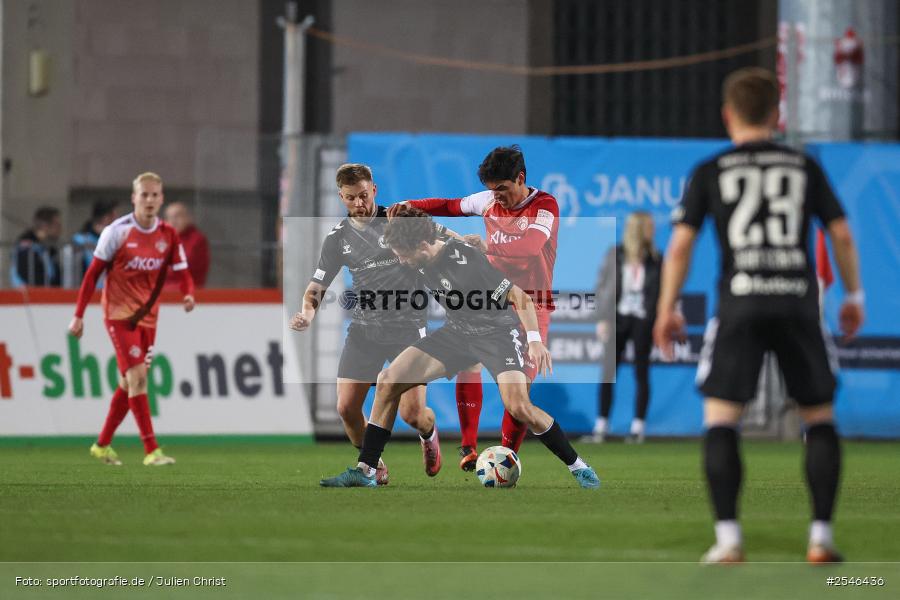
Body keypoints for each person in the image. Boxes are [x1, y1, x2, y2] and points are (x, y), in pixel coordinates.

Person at [653, 68, 863, 564]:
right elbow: (843, 234)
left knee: (721, 420)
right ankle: (821, 538)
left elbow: (681, 246)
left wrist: (666, 308)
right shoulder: (804, 166)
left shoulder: (710, 169)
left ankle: (728, 540)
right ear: (777, 114)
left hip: (740, 302)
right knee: (819, 417)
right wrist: (855, 295)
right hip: (796, 301)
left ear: (727, 115)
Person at [319, 206, 599, 490]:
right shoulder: (422, 250)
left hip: (497, 334)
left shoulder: (466, 262)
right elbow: (433, 229)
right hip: (457, 333)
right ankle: (367, 469)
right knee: (388, 381)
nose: (400, 260)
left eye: (403, 253)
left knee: (518, 406)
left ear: (423, 245)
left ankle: (579, 467)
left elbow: (521, 297)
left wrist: (536, 341)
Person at [389, 145, 559, 471]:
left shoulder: (545, 205)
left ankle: (507, 458)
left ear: (520, 178)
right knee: (469, 365)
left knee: (518, 392)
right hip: (486, 297)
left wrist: (485, 247)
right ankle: (468, 447)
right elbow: (450, 205)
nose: (496, 197)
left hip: (529, 302)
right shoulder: (489, 199)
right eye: (491, 190)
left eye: (503, 189)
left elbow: (530, 247)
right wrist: (411, 205)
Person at [289, 164, 443, 484]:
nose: (359, 203)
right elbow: (316, 287)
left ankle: (428, 433)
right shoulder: (338, 238)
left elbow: (438, 244)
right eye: (350, 198)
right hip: (364, 330)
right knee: (346, 408)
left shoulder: (398, 221)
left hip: (408, 329)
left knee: (412, 415)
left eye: (363, 195)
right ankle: (375, 466)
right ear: (341, 197)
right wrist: (308, 312)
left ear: (374, 189)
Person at [68, 172, 196, 467]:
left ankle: (102, 445)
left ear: (161, 199)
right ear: (134, 198)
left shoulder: (168, 234)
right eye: (144, 195)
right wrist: (78, 315)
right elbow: (92, 276)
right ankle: (151, 451)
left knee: (129, 383)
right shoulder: (116, 232)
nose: (150, 200)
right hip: (118, 315)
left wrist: (189, 294)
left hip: (148, 318)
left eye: (155, 195)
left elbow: (183, 271)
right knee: (138, 378)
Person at [590, 211, 661, 443]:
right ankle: (601, 426)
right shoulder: (616, 254)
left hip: (643, 320)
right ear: (638, 229)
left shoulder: (656, 258)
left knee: (642, 372)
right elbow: (602, 287)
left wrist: (657, 319)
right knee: (608, 372)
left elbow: (660, 292)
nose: (653, 230)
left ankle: (638, 427)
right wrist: (602, 318)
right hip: (617, 318)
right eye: (649, 226)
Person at [163, 201, 210, 290]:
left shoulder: (197, 240)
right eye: (169, 217)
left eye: (177, 216)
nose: (173, 221)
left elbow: (185, 268)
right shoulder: (162, 239)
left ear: (188, 218)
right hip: (163, 293)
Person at [12, 206, 62, 287]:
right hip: (31, 297)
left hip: (49, 296)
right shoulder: (25, 250)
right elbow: (34, 280)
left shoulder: (48, 250)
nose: (60, 229)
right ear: (45, 226)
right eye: (57, 225)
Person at [72, 200, 119, 283]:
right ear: (106, 218)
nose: (118, 222)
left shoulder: (116, 242)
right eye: (114, 217)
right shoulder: (80, 241)